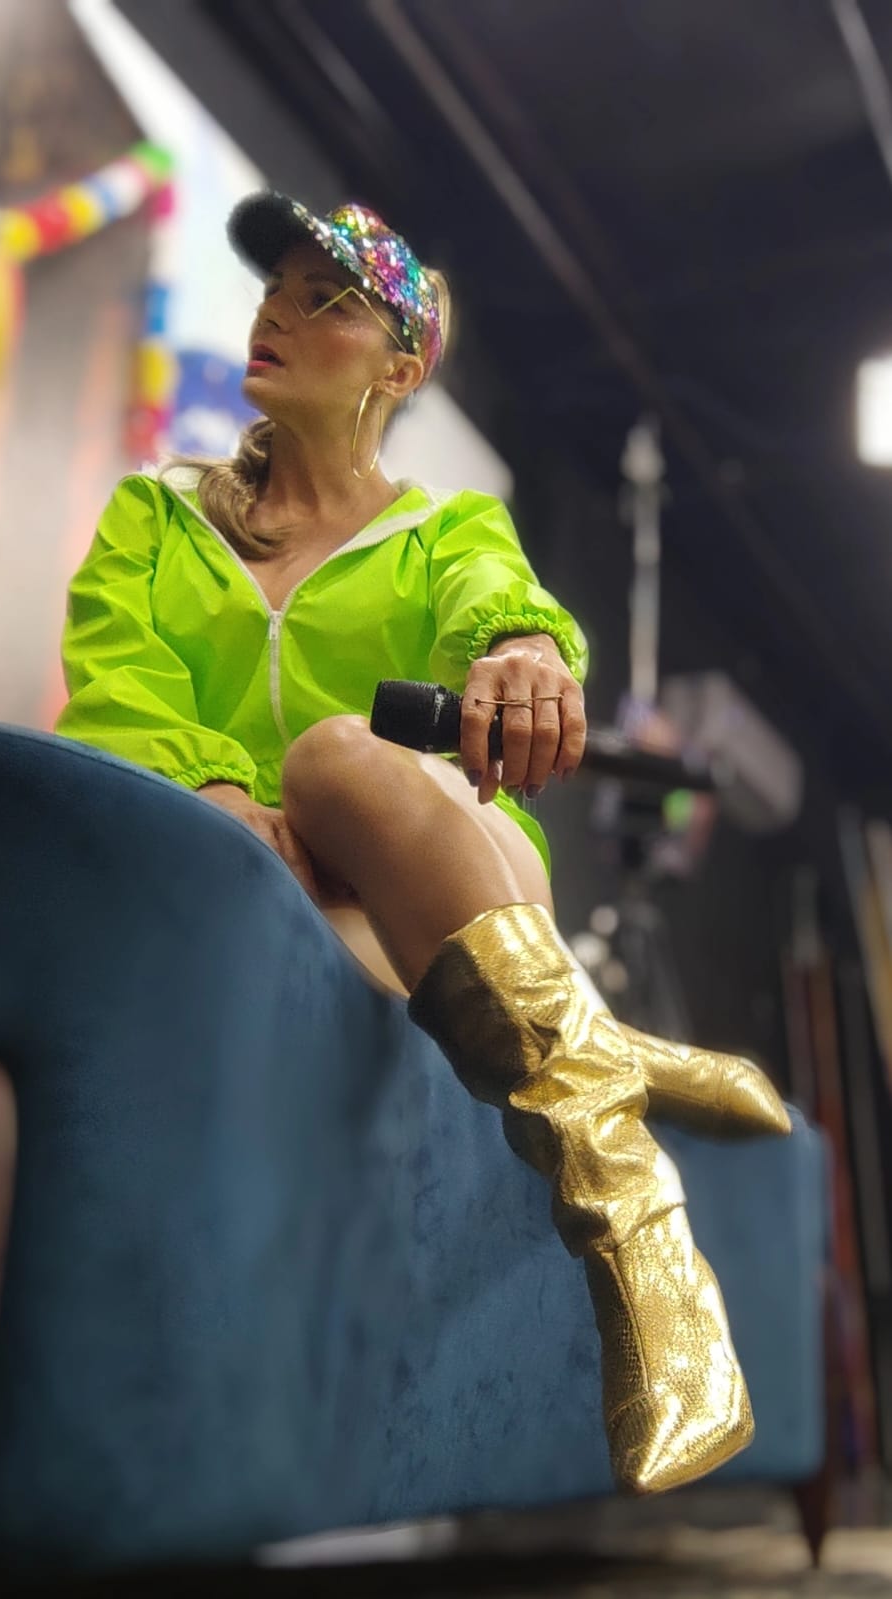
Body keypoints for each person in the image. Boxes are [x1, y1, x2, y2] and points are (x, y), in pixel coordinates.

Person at [54, 192, 791, 1495]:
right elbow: (119, 698)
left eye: (325, 301)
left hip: (433, 868)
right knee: (296, 784)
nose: (278, 312)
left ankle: (637, 1233)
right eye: (274, 289)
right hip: (265, 896)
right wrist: (224, 802)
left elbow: (502, 609)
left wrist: (526, 657)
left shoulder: (449, 531)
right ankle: (605, 1061)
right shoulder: (153, 522)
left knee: (339, 757)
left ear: (400, 368)